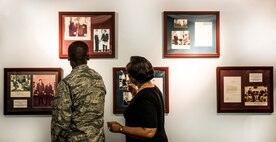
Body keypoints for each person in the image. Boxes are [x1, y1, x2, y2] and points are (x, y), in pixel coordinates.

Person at [51, 41, 106, 142]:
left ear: (69, 58)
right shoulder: (98, 78)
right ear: (88, 57)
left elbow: (62, 122)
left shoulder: (67, 83)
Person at [107, 56, 168, 142]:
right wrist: (136, 95)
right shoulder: (154, 89)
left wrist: (120, 129)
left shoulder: (145, 96)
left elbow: (149, 132)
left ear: (133, 78)